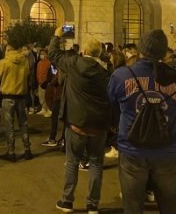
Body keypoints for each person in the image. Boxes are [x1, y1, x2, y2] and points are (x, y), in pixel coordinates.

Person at [107, 30, 176, 214]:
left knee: (132, 206)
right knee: (170, 206)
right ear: (164, 52)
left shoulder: (121, 75)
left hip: (132, 148)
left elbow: (112, 105)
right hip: (167, 148)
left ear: (141, 49)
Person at [49, 27, 111, 214]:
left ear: (84, 51)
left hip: (76, 123)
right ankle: (93, 204)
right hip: (99, 126)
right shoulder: (105, 73)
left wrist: (57, 35)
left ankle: (67, 201)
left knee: (72, 162)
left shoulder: (74, 63)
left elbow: (53, 54)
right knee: (96, 163)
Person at [0, 41, 33, 162]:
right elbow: (27, 74)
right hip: (21, 96)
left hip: (8, 97)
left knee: (9, 125)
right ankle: (27, 150)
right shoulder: (25, 61)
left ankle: (11, 152)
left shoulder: (4, 62)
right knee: (23, 124)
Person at [36, 48, 53, 117]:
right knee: (41, 96)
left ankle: (49, 110)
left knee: (47, 97)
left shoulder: (49, 63)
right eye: (41, 54)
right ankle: (43, 108)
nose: (41, 55)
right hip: (40, 82)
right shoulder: (39, 63)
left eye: (43, 54)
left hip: (46, 83)